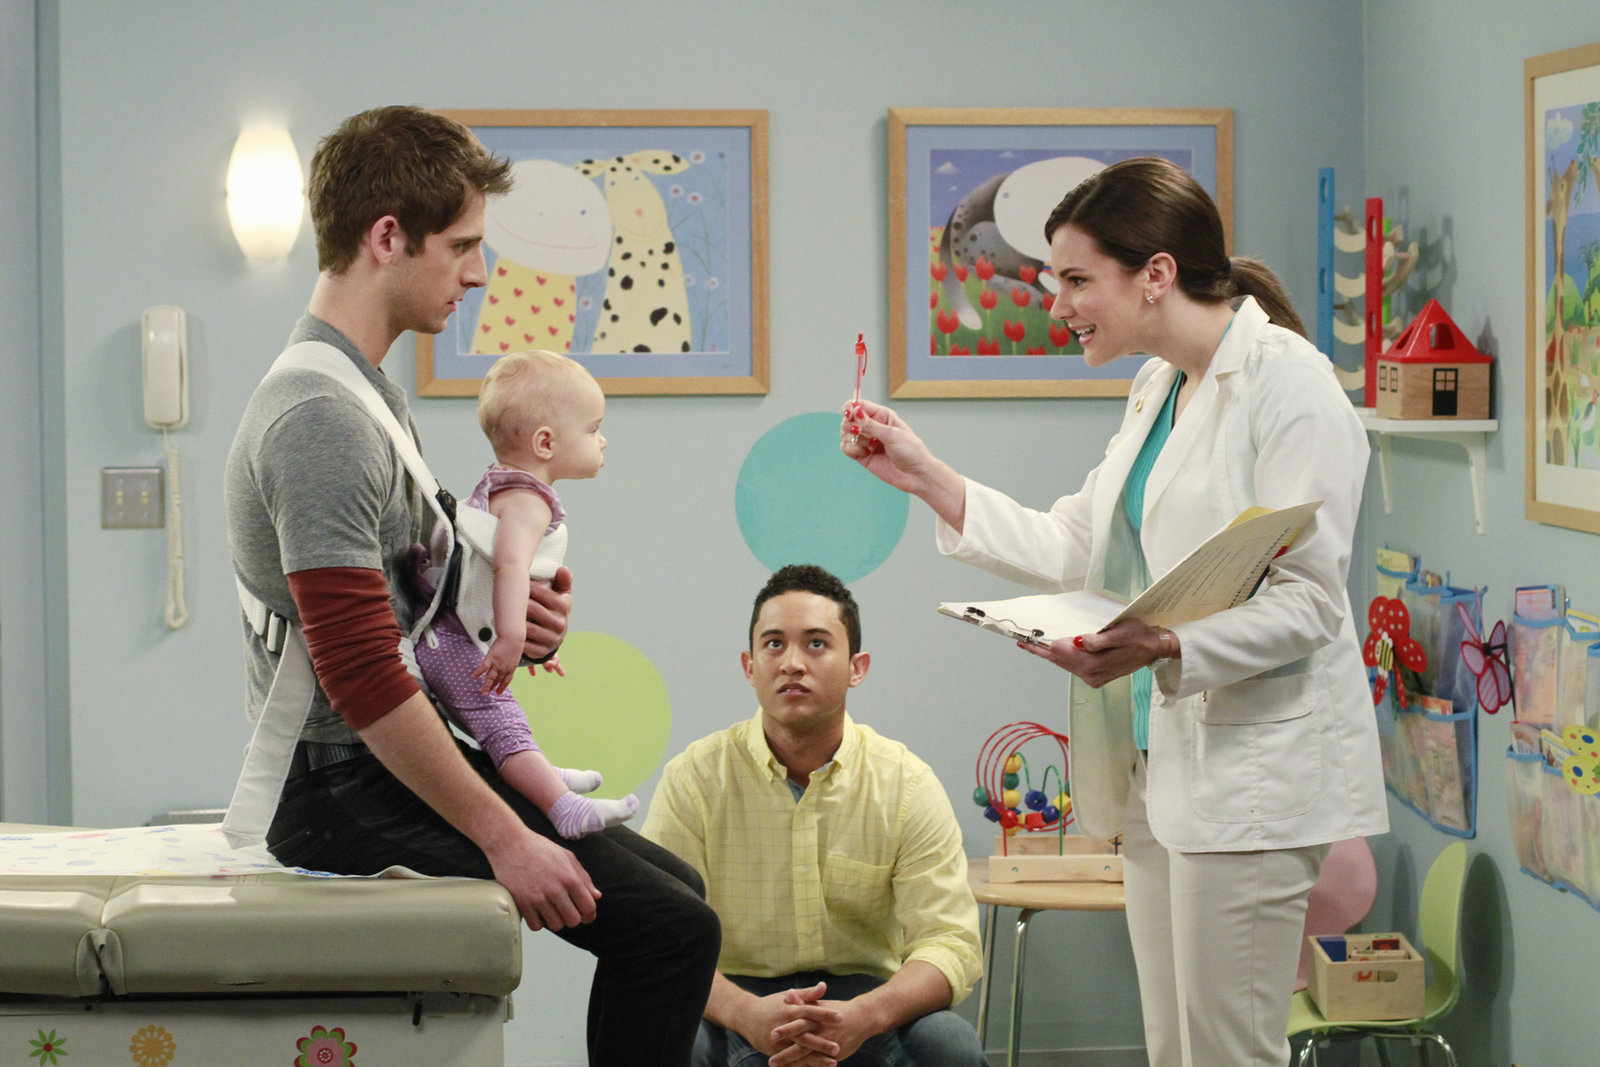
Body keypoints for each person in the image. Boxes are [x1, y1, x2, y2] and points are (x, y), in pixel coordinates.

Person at [841, 157, 1387, 1067]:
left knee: (1227, 1052)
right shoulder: (1160, 387)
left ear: (1156, 274)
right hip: (1159, 771)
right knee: (1175, 1049)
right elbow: (1076, 542)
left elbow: (1309, 603)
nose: (1057, 303)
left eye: (1076, 280)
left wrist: (1163, 643)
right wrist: (926, 477)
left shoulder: (1290, 386)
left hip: (1251, 780)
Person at [224, 105, 718, 1066]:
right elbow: (363, 675)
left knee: (680, 898)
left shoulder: (367, 393)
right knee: (672, 930)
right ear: (387, 238)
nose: (482, 272)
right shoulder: (320, 417)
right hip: (335, 788)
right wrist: (507, 839)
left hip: (369, 765)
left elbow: (415, 596)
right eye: (462, 246)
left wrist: (514, 612)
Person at [642, 564, 986, 1067]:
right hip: (730, 999)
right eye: (774, 644)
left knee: (949, 1046)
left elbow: (950, 942)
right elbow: (659, 935)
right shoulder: (694, 779)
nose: (792, 664)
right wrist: (746, 1014)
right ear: (750, 666)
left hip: (867, 999)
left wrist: (865, 1015)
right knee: (661, 1041)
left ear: (857, 667)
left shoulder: (906, 784)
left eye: (817, 644)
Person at [411, 349, 638, 840]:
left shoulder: (503, 486)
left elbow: (486, 577)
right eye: (593, 428)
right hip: (450, 642)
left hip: (451, 632)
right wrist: (511, 638)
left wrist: (529, 645)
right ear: (545, 442)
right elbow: (511, 566)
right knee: (500, 723)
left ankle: (542, 776)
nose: (602, 440)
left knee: (504, 721)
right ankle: (562, 807)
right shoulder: (530, 502)